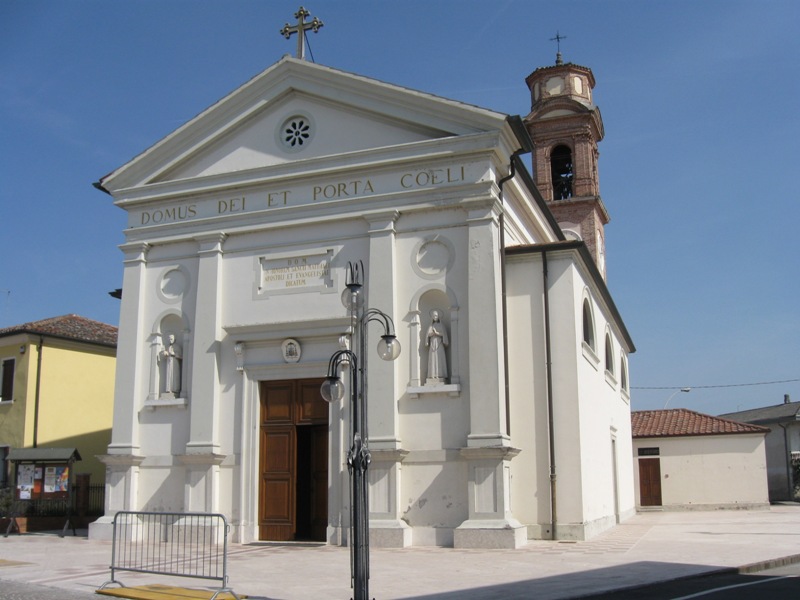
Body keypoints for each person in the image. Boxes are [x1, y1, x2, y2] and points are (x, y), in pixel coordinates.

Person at [425, 310, 449, 384]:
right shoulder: (431, 326)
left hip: (439, 343)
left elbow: (444, 334)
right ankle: (432, 375)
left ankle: (440, 375)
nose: (434, 317)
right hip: (432, 343)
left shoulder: (441, 325)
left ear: (438, 316)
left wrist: (437, 333)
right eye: (433, 316)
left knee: (439, 358)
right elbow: (428, 335)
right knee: (432, 358)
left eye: (436, 315)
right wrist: (432, 333)